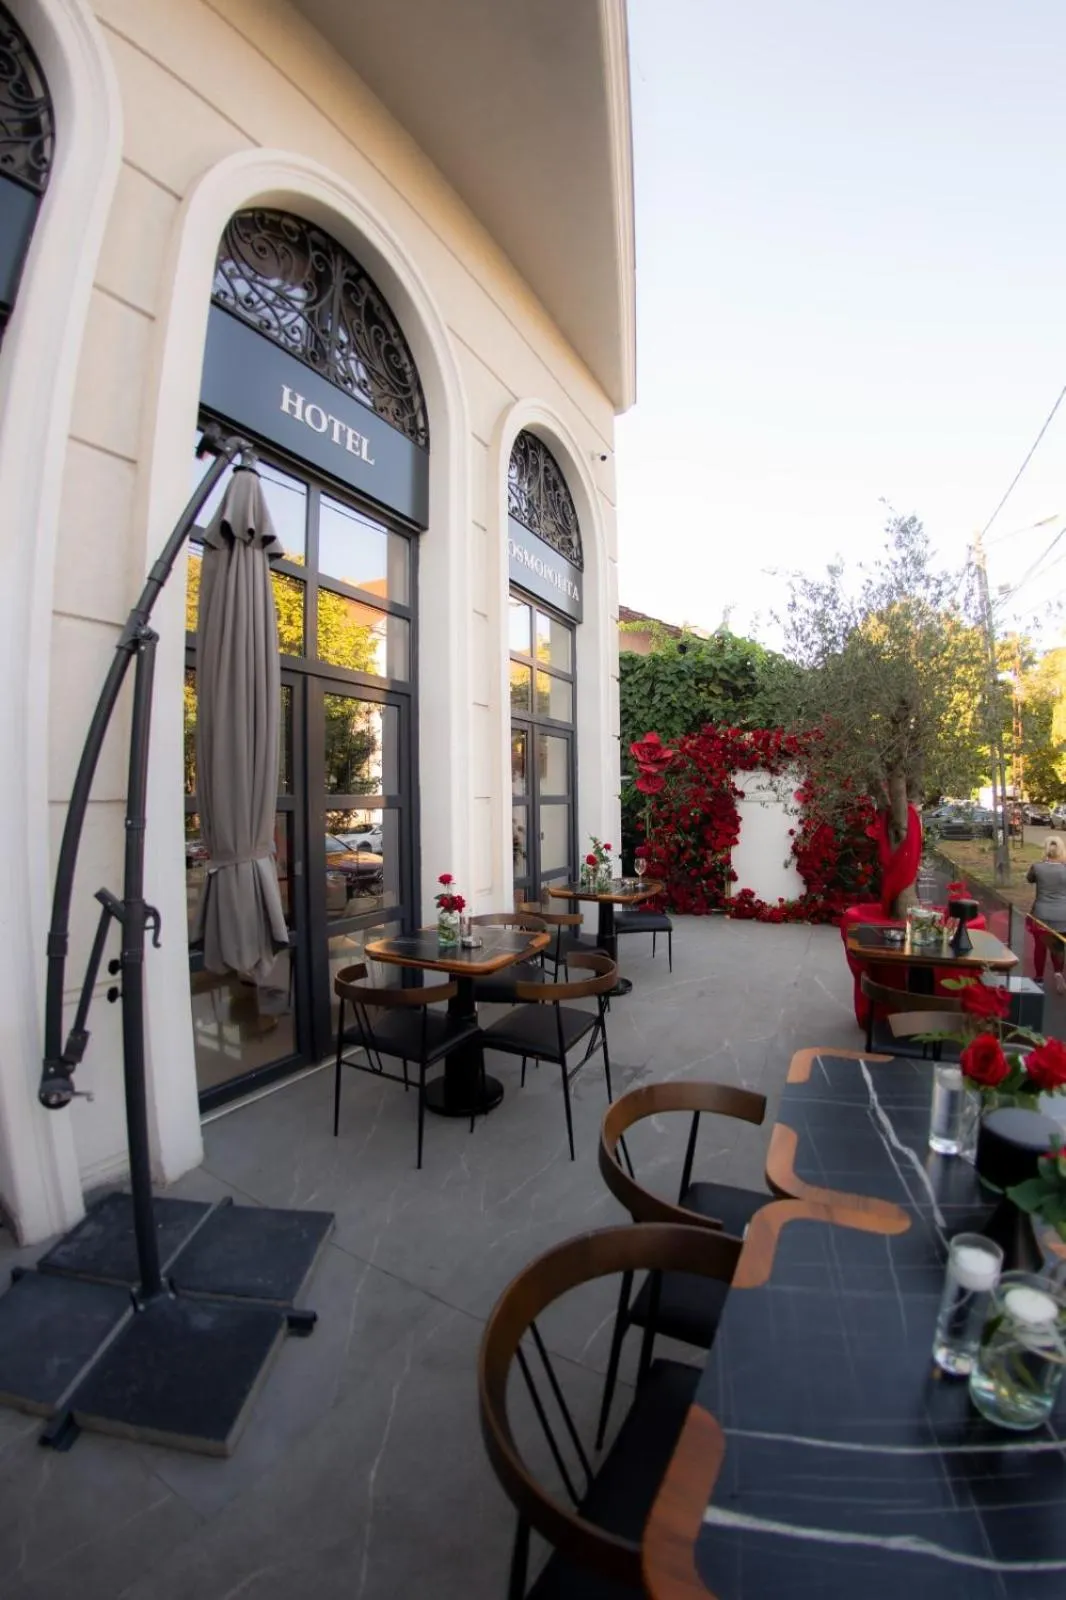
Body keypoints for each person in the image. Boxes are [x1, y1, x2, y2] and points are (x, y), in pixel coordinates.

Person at [1026, 836, 1066, 992]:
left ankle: (1039, 978)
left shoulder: (1037, 867)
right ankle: (1058, 973)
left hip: (1041, 915)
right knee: (1058, 947)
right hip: (1063, 915)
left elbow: (1030, 879)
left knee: (1040, 947)